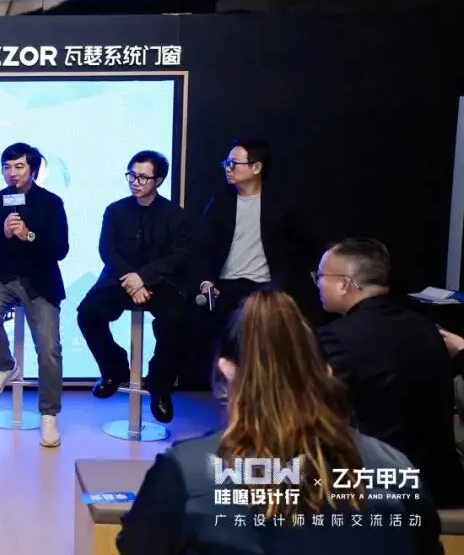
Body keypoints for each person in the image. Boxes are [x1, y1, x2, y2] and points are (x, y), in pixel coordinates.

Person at [117, 288, 443, 554]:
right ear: (326, 373)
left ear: (226, 370)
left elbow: (138, 545)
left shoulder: (186, 472)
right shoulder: (396, 468)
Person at [315, 237, 464, 507]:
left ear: (344, 284)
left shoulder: (335, 339)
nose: (317, 284)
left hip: (381, 491)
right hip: (442, 484)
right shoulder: (427, 328)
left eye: (321, 276)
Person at [193, 139, 321, 387]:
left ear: (256, 167)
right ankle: (232, 398)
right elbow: (202, 249)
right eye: (226, 163)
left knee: (269, 351)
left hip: (267, 288)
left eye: (234, 163)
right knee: (226, 349)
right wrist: (205, 281)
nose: (228, 168)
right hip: (227, 287)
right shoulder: (220, 203)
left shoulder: (281, 204)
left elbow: (306, 244)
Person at [77, 151, 191, 423]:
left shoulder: (175, 215)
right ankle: (114, 368)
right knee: (88, 313)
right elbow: (108, 250)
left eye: (143, 177)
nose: (135, 182)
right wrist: (131, 279)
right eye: (131, 175)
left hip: (159, 281)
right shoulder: (115, 210)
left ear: (159, 180)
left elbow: (179, 256)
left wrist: (144, 278)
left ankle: (160, 385)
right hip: (119, 278)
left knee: (177, 320)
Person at [0, 142, 69, 448]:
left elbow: (61, 249)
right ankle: (6, 365)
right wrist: (2, 232)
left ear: (33, 169)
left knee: (49, 348)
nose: (12, 173)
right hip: (3, 277)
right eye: (7, 167)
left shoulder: (51, 203)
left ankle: (49, 415)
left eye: (19, 166)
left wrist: (28, 235)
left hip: (41, 281)